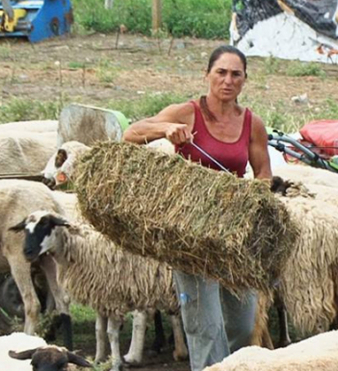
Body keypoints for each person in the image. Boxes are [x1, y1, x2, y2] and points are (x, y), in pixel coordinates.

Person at [122, 45, 272, 371]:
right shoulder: (187, 112)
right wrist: (165, 130)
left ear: (245, 80)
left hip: (234, 234)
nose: (228, 80)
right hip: (192, 235)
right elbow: (131, 134)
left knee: (243, 325)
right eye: (221, 72)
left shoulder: (252, 123)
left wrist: (250, 195)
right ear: (206, 75)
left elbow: (263, 174)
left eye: (236, 74)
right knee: (205, 327)